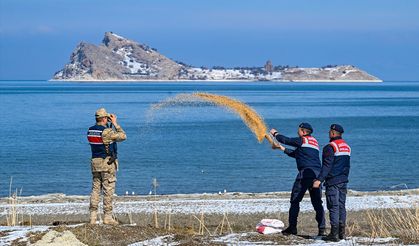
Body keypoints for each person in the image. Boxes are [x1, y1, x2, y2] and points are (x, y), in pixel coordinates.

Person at [270, 123, 326, 236]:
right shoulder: (314, 142)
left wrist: (275, 133)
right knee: (317, 203)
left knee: (295, 201)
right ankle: (322, 229)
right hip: (316, 175)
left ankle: (292, 228)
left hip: (305, 174)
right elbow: (297, 154)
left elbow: (286, 140)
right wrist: (281, 148)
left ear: (304, 132)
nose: (297, 132)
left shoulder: (302, 140)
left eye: (299, 130)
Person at [87, 108, 127, 225]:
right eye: (107, 118)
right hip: (107, 164)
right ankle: (107, 217)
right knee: (108, 190)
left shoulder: (90, 130)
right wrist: (115, 123)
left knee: (95, 190)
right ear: (104, 118)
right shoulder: (107, 132)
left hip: (95, 163)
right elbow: (123, 136)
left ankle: (93, 217)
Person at [313, 124, 350, 241]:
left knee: (333, 207)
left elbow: (326, 166)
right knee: (341, 206)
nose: (328, 133)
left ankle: (334, 235)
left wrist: (319, 180)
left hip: (333, 181)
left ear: (333, 133)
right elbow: (347, 166)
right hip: (343, 180)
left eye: (330, 131)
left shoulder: (330, 147)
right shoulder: (347, 147)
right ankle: (341, 233)